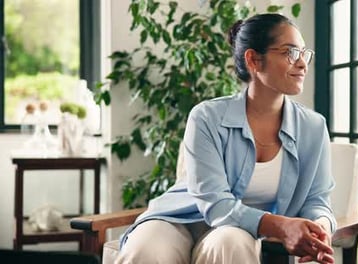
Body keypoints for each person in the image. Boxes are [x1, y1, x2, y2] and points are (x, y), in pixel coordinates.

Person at [116, 13, 336, 264]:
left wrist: (320, 228)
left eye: (304, 53)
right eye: (290, 52)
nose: (302, 64)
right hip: (182, 218)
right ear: (253, 59)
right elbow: (215, 203)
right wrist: (282, 226)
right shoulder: (206, 117)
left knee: (232, 242)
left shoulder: (313, 127)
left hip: (241, 232)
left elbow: (317, 199)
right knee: (146, 251)